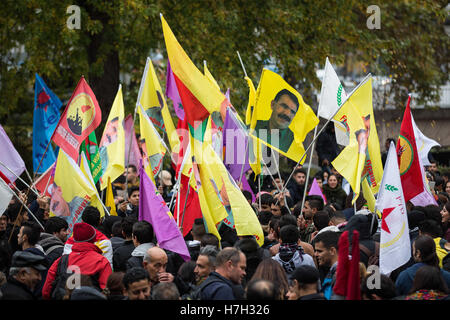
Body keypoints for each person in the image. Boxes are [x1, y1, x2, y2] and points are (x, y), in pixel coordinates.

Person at [42, 222, 113, 299]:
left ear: (74, 240)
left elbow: (46, 291)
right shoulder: (101, 261)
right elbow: (107, 290)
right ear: (94, 239)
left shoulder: (60, 260)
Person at [253, 89, 298, 153]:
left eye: (292, 112)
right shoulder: (254, 125)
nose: (287, 114)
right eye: (284, 106)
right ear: (273, 104)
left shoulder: (294, 143)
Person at [313, 230, 341, 300]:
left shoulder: (341, 275)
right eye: (315, 251)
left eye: (319, 251)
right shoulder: (334, 271)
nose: (315, 254)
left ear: (332, 251)